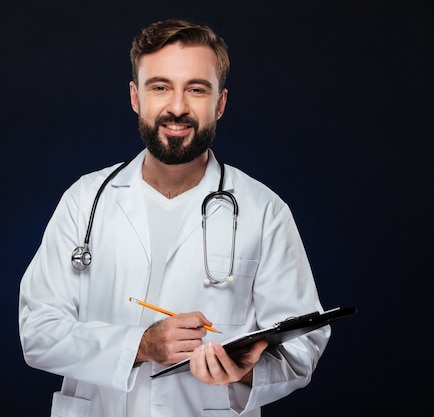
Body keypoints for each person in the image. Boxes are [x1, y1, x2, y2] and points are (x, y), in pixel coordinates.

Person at [19, 18, 330, 417]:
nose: (178, 107)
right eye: (160, 87)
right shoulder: (85, 201)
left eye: (196, 89)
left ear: (220, 103)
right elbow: (38, 333)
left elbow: (302, 349)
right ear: (136, 97)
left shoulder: (264, 211)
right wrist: (141, 345)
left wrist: (246, 370)